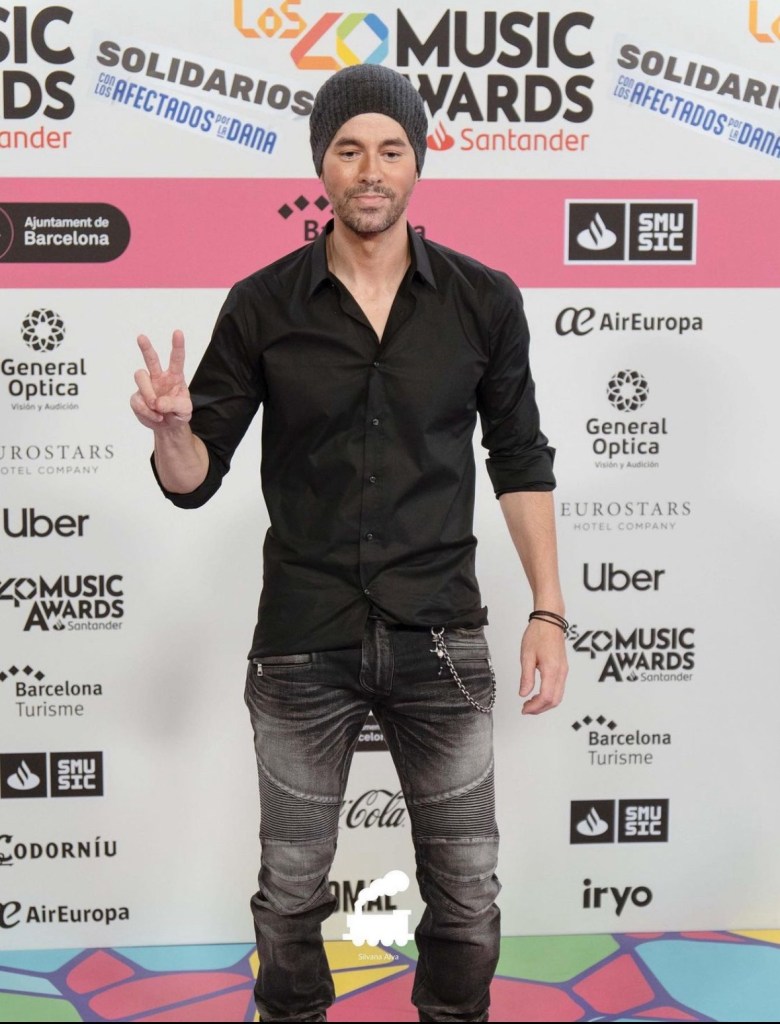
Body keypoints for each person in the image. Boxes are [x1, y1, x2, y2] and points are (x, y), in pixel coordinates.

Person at [130, 64, 567, 1023]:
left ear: (418, 162)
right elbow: (193, 478)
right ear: (321, 165)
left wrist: (548, 610)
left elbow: (520, 459)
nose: (371, 170)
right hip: (303, 638)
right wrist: (172, 431)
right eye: (349, 149)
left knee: (468, 892)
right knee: (290, 891)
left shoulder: (484, 301)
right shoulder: (262, 305)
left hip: (440, 635)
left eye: (391, 150)